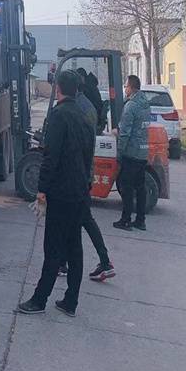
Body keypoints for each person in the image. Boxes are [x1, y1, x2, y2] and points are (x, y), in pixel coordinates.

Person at [18, 70, 94, 317]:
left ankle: (39, 300)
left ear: (58, 89)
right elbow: (88, 158)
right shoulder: (84, 116)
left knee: (53, 248)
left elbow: (50, 157)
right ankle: (71, 301)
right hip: (79, 192)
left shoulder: (59, 115)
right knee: (74, 248)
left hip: (61, 193)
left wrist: (42, 189)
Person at [58, 73, 115, 282]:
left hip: (75, 175)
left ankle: (101, 262)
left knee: (75, 220)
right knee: (80, 219)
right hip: (84, 172)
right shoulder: (88, 106)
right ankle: (101, 262)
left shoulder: (76, 109)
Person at [114, 74, 151, 231]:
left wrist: (119, 152)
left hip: (131, 153)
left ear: (131, 87)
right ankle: (140, 220)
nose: (125, 89)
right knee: (140, 187)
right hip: (143, 152)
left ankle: (126, 220)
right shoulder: (145, 104)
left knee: (126, 187)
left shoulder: (130, 106)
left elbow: (125, 133)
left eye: (126, 86)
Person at [77, 67, 104, 132]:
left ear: (81, 77)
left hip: (91, 118)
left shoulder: (87, 89)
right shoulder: (91, 85)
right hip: (94, 115)